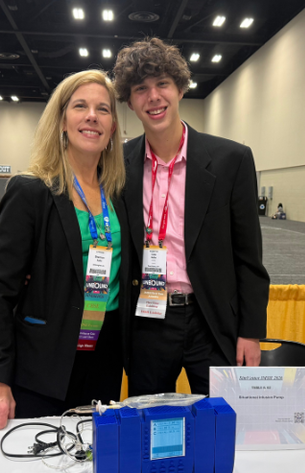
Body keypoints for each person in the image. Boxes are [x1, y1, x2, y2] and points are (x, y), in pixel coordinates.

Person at [113, 37, 271, 397]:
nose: (153, 97)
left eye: (162, 84)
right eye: (141, 89)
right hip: (147, 320)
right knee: (150, 424)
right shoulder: (118, 165)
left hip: (211, 319)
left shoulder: (232, 160)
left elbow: (249, 257)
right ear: (130, 101)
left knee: (224, 423)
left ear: (180, 88)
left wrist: (250, 331)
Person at [0, 70, 132, 430]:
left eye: (103, 109)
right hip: (44, 362)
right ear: (62, 121)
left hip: (105, 358)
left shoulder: (119, 196)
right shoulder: (32, 191)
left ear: (112, 128)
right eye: (80, 106)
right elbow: (0, 290)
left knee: (91, 463)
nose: (92, 116)